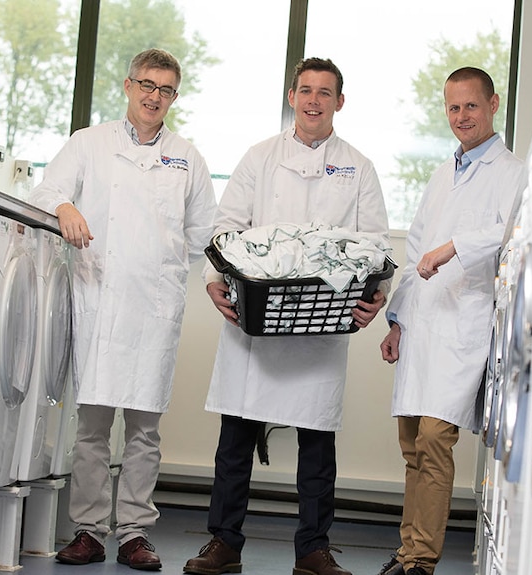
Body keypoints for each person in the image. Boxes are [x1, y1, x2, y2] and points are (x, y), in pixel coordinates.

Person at [183, 57, 390, 575]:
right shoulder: (260, 157)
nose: (314, 100)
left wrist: (376, 295)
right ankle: (224, 542)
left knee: (317, 441)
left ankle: (313, 550)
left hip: (321, 319)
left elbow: (374, 243)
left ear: (340, 102)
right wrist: (215, 284)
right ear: (291, 97)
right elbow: (226, 229)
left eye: (325, 92)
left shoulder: (358, 166)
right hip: (257, 315)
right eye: (305, 91)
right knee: (236, 436)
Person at [28, 48, 217, 570]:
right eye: (147, 85)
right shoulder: (89, 143)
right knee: (90, 426)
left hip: (155, 306)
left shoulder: (187, 157)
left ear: (174, 96)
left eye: (166, 89)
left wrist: (221, 281)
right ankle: (88, 528)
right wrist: (65, 206)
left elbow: (208, 234)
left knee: (144, 430)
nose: (155, 97)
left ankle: (135, 531)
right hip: (100, 297)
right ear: (129, 86)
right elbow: (46, 190)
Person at [377, 67, 527, 575]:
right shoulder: (444, 173)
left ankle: (421, 559)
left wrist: (454, 247)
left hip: (463, 325)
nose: (462, 116)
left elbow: (504, 232)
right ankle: (406, 550)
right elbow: (416, 244)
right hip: (422, 324)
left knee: (437, 441)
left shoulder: (514, 172)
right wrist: (396, 318)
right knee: (412, 445)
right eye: (453, 108)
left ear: (493, 104)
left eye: (471, 106)